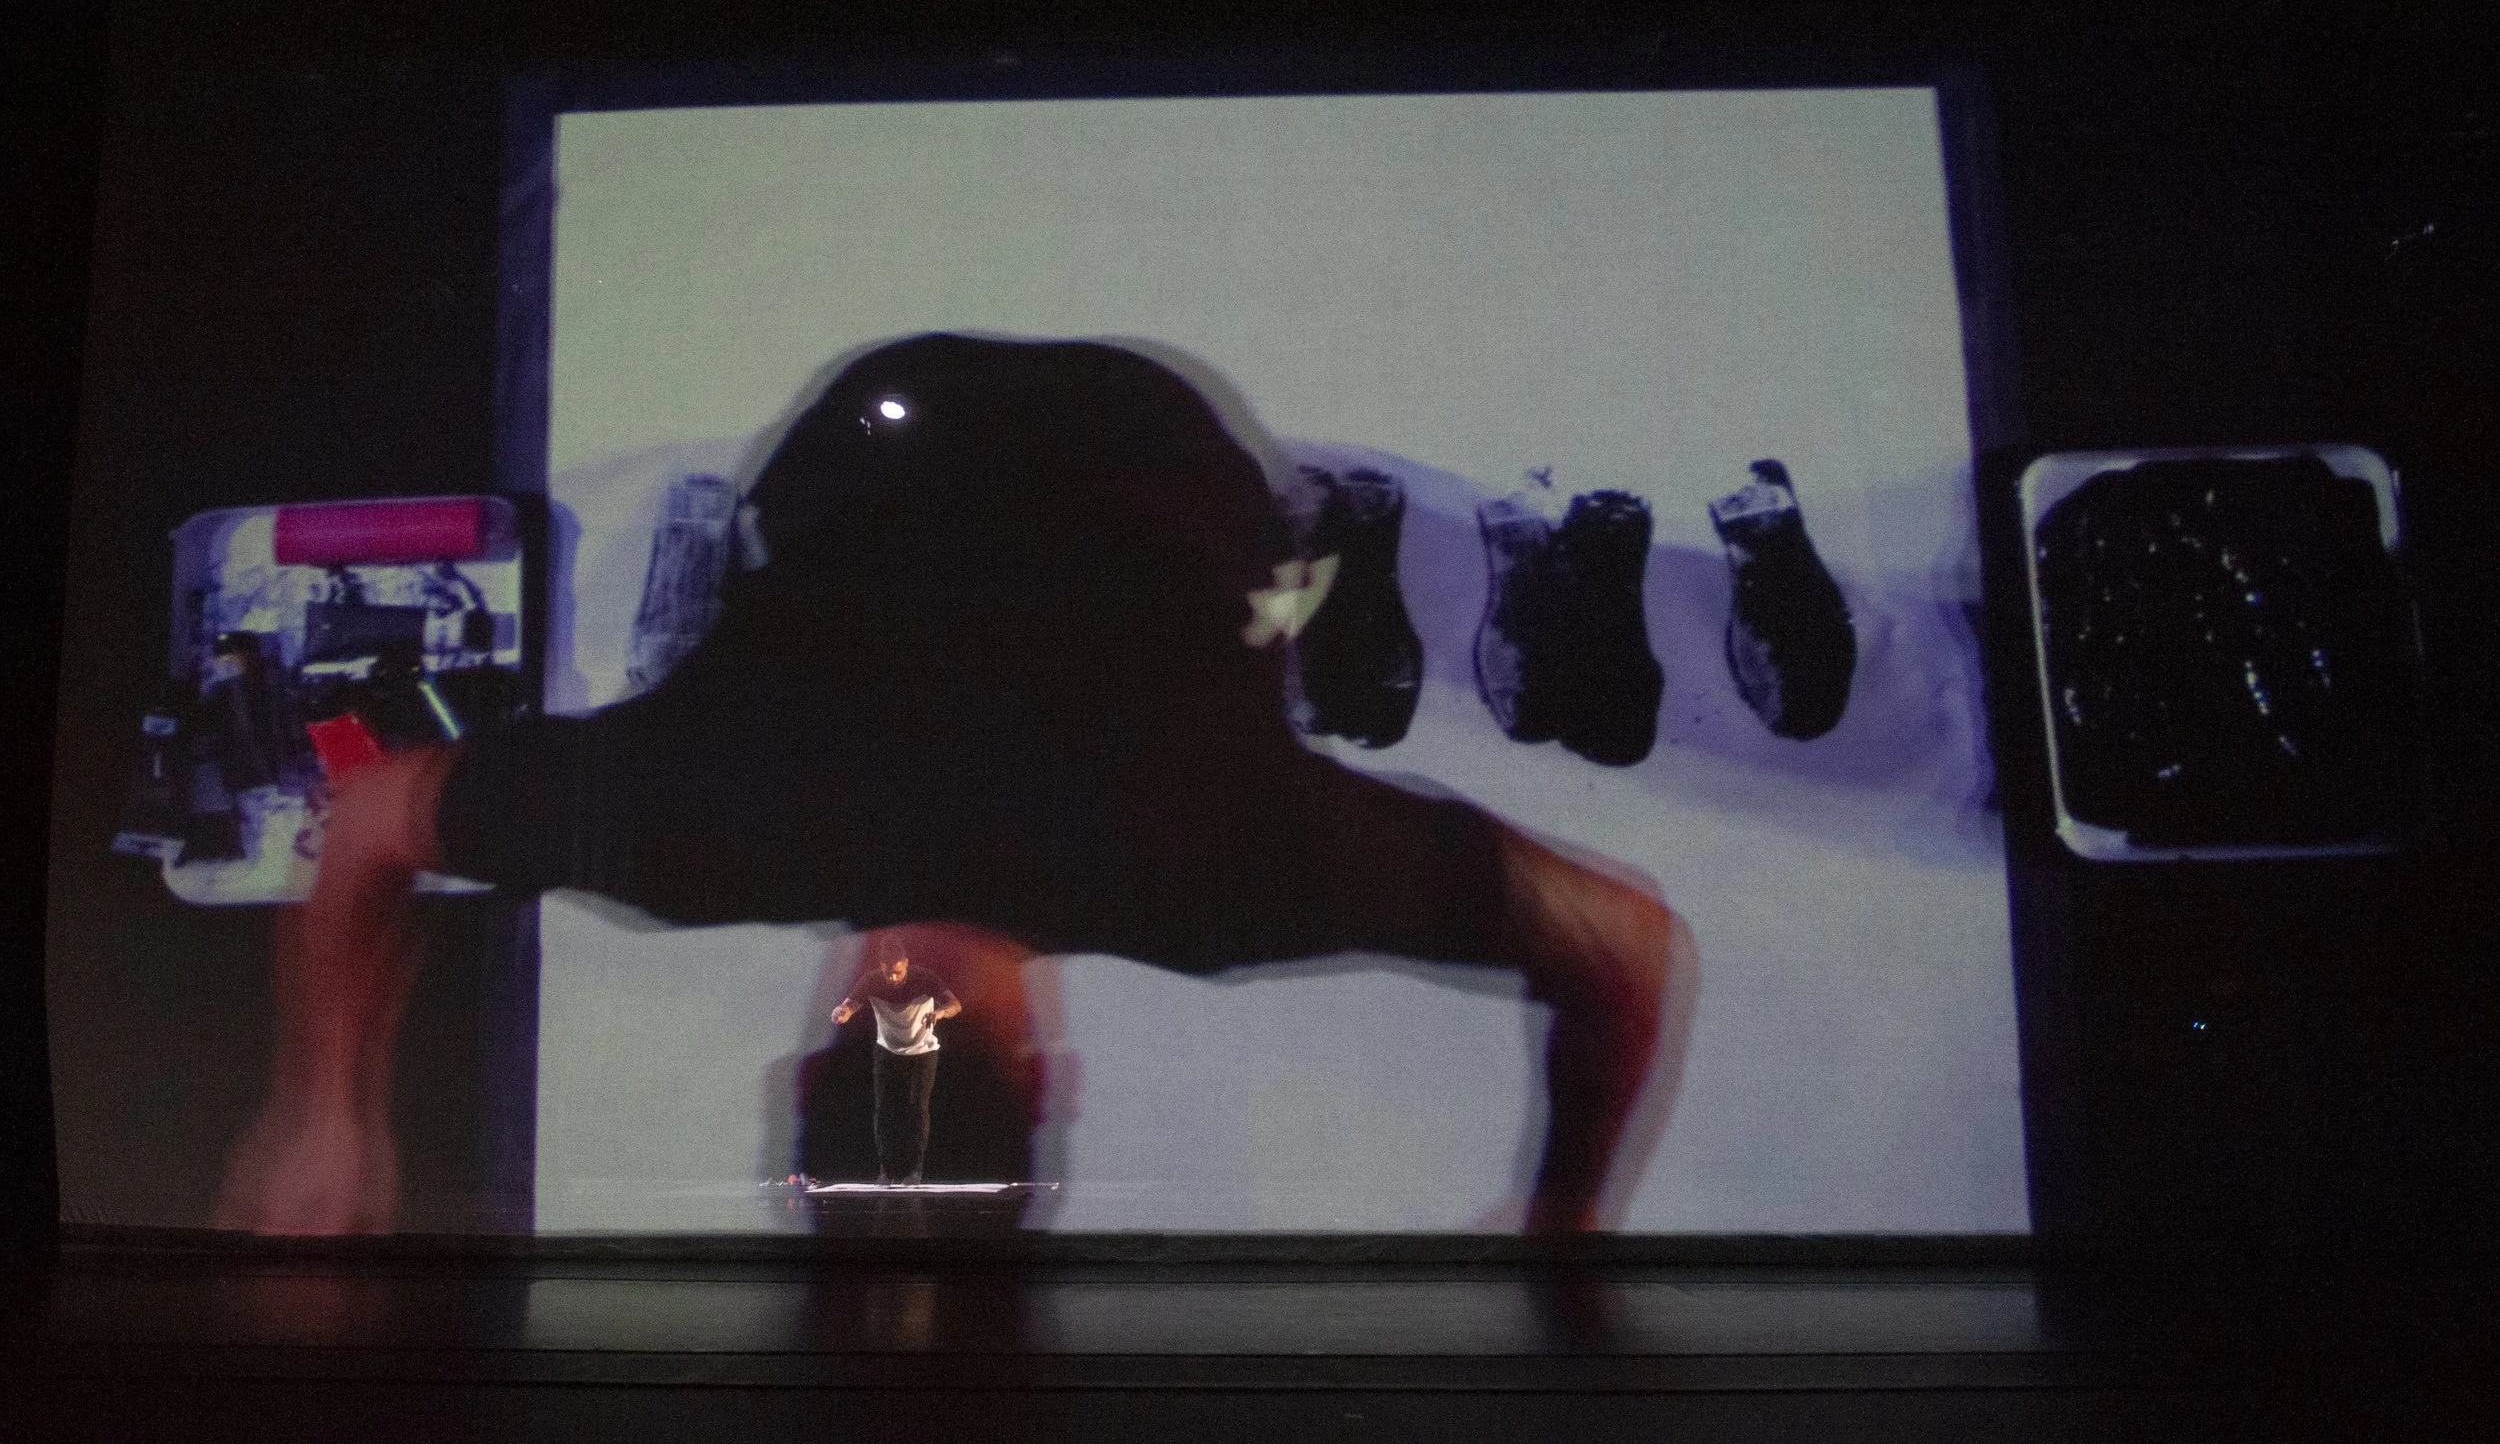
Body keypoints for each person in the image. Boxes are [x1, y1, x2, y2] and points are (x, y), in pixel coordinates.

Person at [217, 332, 1693, 1237]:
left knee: (1248, 625)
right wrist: (324, 1107)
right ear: (800, 1070)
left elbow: (1625, 943)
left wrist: (1563, 1219)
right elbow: (370, 814)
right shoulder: (692, 829)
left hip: (1152, 432)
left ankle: (1313, 550)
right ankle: (748, 580)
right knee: (779, 603)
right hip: (887, 414)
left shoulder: (1222, 874)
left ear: (1050, 1075)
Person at [831, 935, 962, 1185]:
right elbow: (849, 1004)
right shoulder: (870, 981)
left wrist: (941, 1012)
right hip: (887, 1050)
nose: (893, 978)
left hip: (922, 1051)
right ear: (881, 966)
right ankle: (886, 1171)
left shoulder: (925, 978)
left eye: (898, 972)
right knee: (884, 1110)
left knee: (916, 1108)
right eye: (888, 973)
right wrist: (842, 1013)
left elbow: (955, 1004)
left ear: (906, 963)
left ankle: (914, 1171)